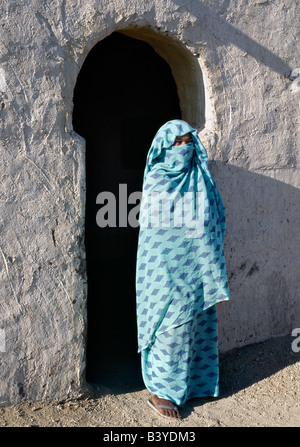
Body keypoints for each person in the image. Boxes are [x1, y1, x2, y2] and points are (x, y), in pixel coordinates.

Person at [136, 119, 230, 419]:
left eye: (188, 142)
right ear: (163, 147)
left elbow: (216, 220)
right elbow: (153, 236)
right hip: (163, 271)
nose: (183, 148)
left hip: (199, 268)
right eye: (176, 144)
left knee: (196, 326)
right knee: (171, 329)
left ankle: (193, 385)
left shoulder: (201, 179)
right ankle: (162, 391)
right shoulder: (156, 179)